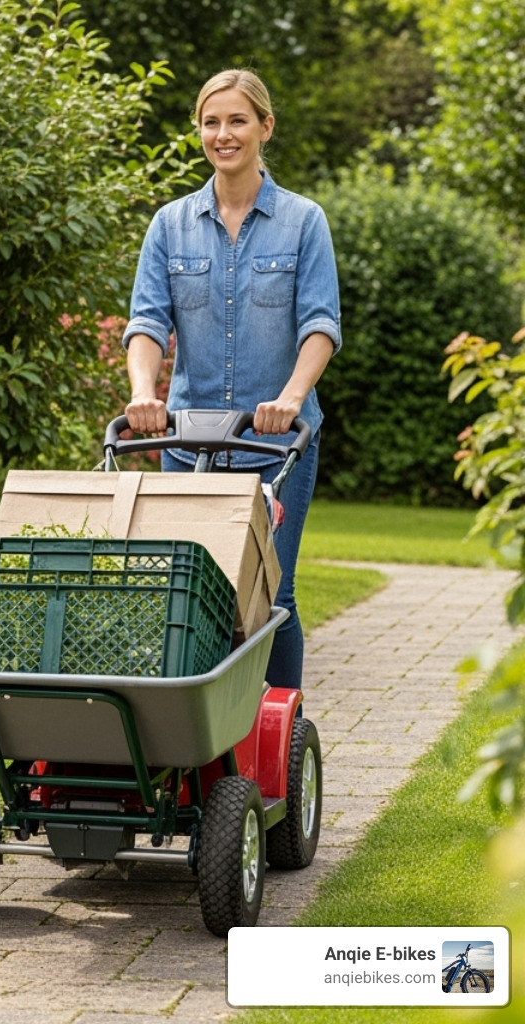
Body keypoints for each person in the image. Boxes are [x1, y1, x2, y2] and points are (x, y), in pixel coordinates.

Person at [122, 69, 340, 692]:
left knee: (271, 597)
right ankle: (203, 744)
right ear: (199, 130)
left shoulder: (303, 222)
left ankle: (281, 738)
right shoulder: (170, 225)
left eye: (238, 120)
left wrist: (290, 399)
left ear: (265, 127)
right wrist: (146, 393)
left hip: (274, 446)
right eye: (211, 121)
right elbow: (147, 321)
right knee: (187, 598)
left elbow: (320, 324)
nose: (224, 133)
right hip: (187, 439)